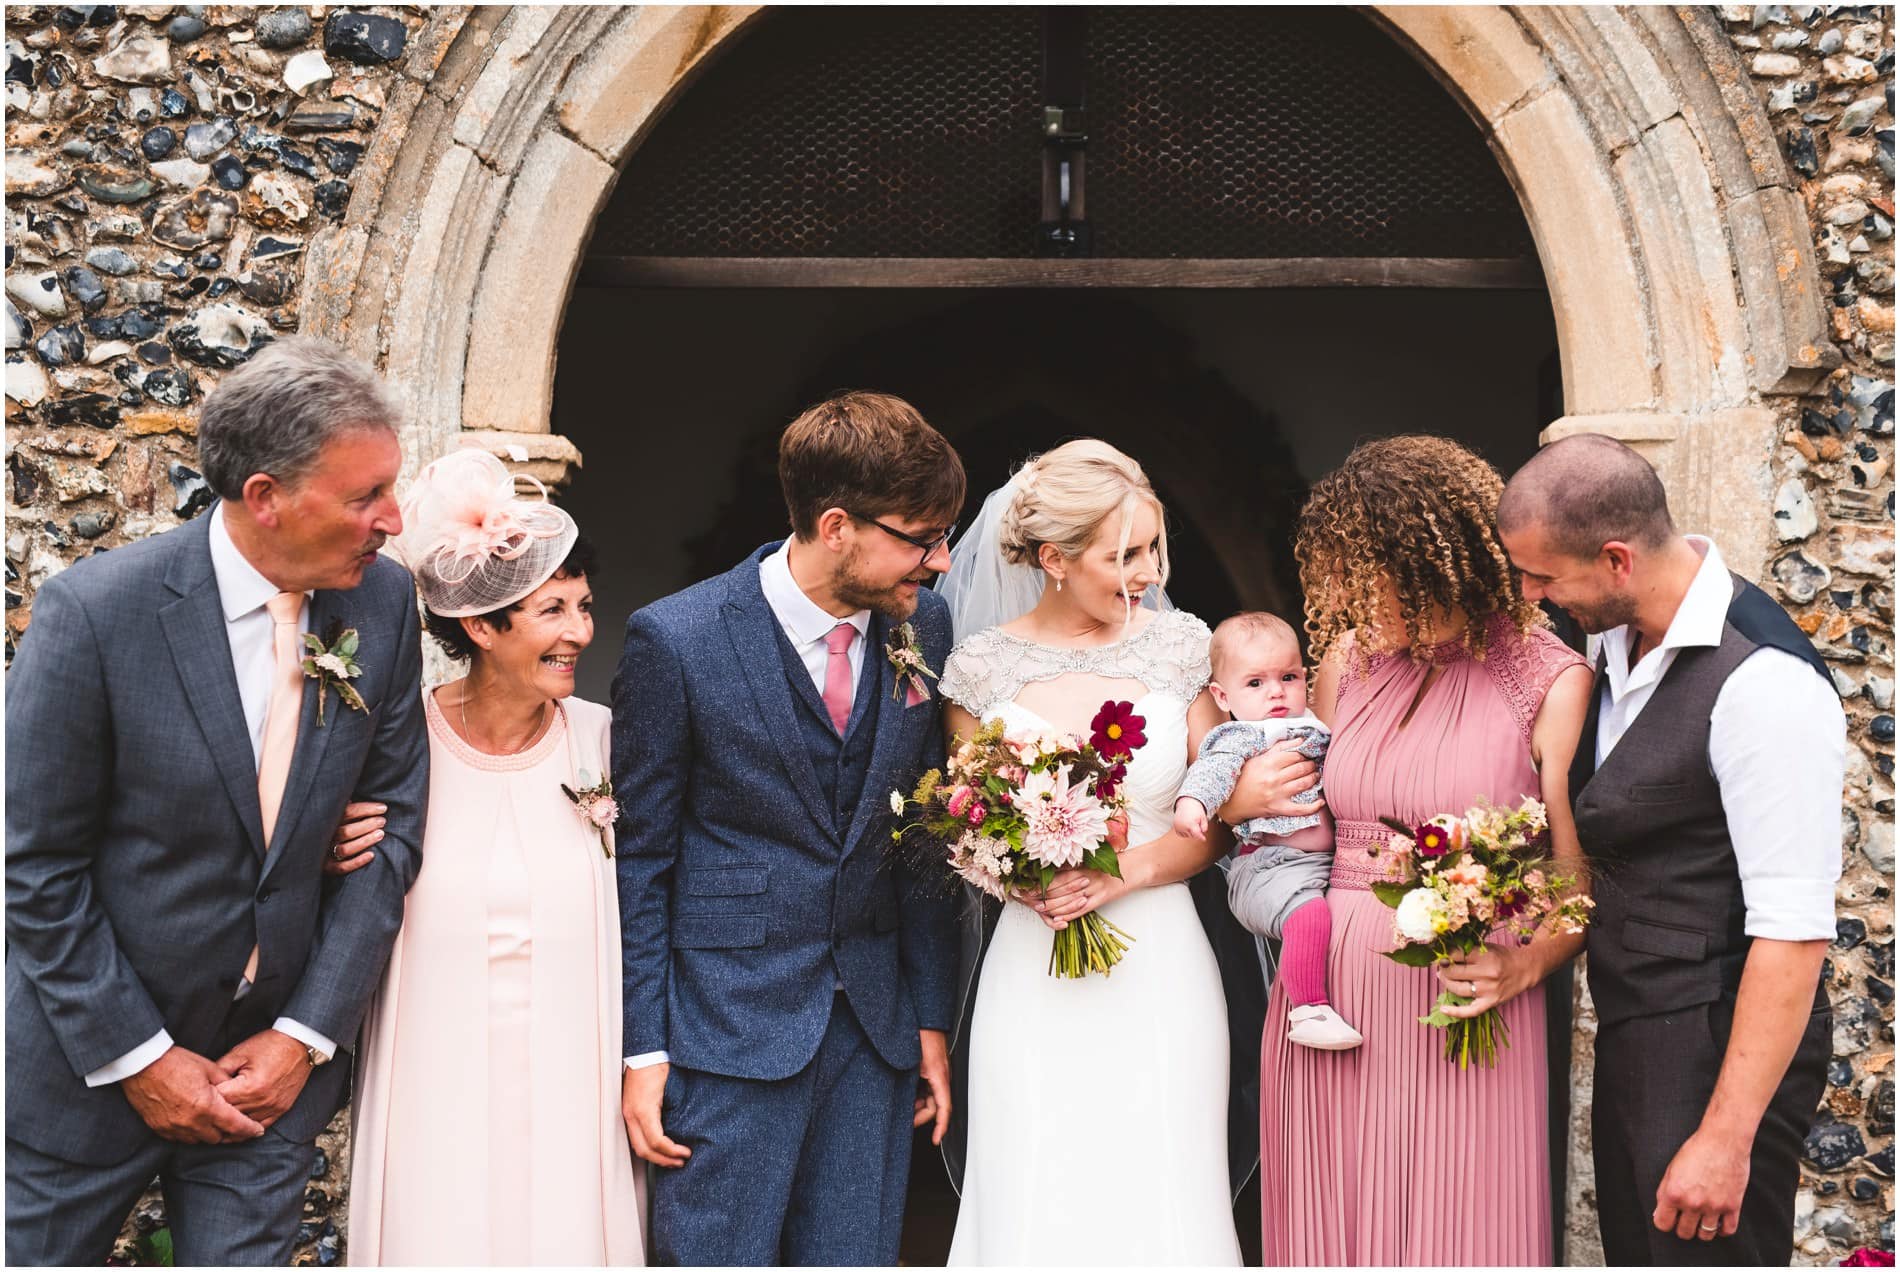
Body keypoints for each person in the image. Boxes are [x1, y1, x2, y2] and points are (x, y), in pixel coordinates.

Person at [5, 337, 427, 1265]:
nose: (393, 520)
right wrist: (142, 1059)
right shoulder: (95, 613)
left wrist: (304, 1036)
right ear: (266, 497)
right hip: (89, 1074)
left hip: (267, 1083)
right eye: (365, 497)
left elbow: (393, 838)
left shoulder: (384, 606)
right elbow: (34, 867)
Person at [613, 391, 965, 1265]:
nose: (943, 561)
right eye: (921, 538)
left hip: (874, 1035)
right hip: (722, 1033)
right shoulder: (677, 639)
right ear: (837, 525)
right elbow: (642, 860)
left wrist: (928, 1019)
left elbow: (921, 840)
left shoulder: (927, 625)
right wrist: (642, 1048)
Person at [1240, 434, 1592, 1265]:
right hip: (1331, 1000)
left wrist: (1524, 965)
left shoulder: (1550, 678)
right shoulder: (1345, 665)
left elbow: (1572, 869)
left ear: (1437, 565)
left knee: (1462, 1227)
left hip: (1463, 992)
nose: (1350, 597)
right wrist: (1237, 801)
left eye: (1367, 575)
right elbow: (1293, 824)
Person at [1497, 433, 1840, 1265]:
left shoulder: (1766, 685)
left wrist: (1726, 1138)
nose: (1532, 596)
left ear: (1616, 558)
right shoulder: (1609, 644)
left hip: (1717, 1048)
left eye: (1544, 576)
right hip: (1637, 1035)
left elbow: (1793, 933)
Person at [937, 439, 1266, 1265]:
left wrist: (1118, 875)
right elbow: (968, 819)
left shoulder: (1182, 646)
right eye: (1124, 555)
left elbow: (1222, 820)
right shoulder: (980, 667)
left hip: (1160, 959)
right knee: (1034, 1176)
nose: (1149, 571)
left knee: (1162, 1182)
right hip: (1033, 964)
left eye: (1154, 546)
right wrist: (1021, 871)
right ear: (1053, 558)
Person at [331, 449, 644, 1264]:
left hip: (574, 1070)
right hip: (434, 1065)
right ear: (480, 625)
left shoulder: (607, 740)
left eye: (583, 606)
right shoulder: (398, 748)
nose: (581, 631)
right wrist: (326, 851)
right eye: (554, 611)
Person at [1175, 611, 1360, 1051]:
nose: (1276, 691)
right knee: (1310, 917)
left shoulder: (1315, 724)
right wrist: (1192, 804)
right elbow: (1212, 772)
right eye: (1255, 683)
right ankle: (1308, 1009)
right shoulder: (1242, 735)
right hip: (1269, 866)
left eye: (1289, 677)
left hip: (1318, 864)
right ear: (1223, 695)